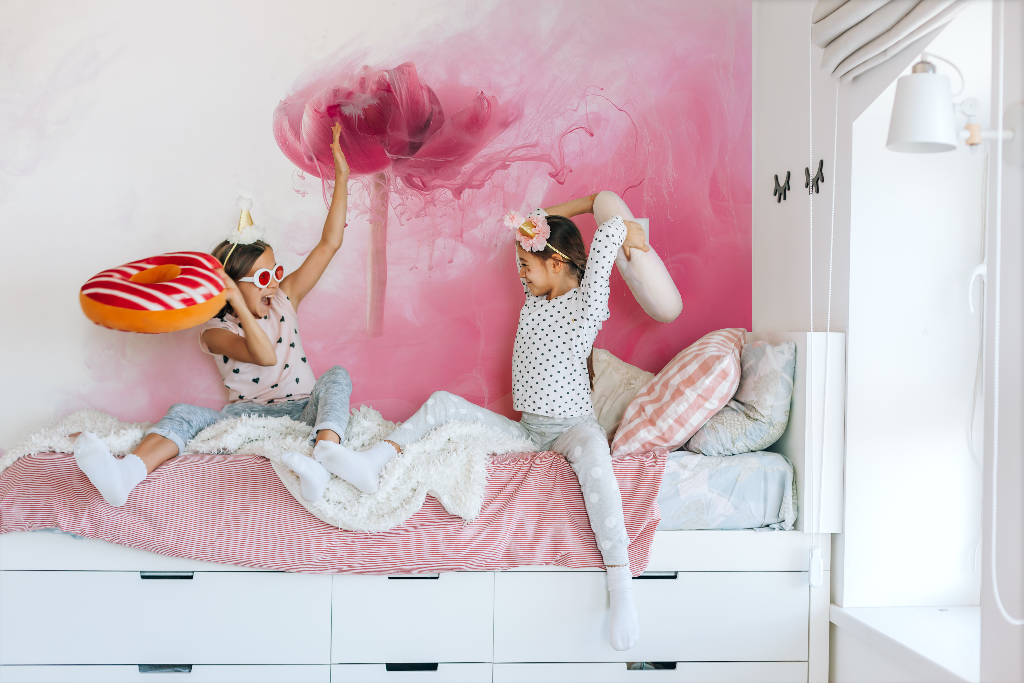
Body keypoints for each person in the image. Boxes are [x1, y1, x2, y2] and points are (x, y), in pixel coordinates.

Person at [311, 193, 649, 651]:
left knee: (596, 457)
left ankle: (621, 583)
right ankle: (374, 460)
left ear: (556, 263)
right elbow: (531, 229)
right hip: (529, 430)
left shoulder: (585, 306)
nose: (520, 274)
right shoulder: (537, 295)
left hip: (573, 426)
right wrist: (557, 217)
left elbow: (606, 235)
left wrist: (623, 225)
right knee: (443, 404)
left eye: (526, 265)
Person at [73, 123, 354, 508]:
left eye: (276, 273)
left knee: (336, 376)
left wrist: (341, 175)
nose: (274, 284)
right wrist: (238, 304)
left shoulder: (286, 298)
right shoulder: (214, 331)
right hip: (246, 418)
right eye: (262, 278)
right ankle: (128, 473)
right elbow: (264, 355)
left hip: (302, 410)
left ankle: (325, 458)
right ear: (232, 286)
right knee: (184, 412)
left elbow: (329, 243)